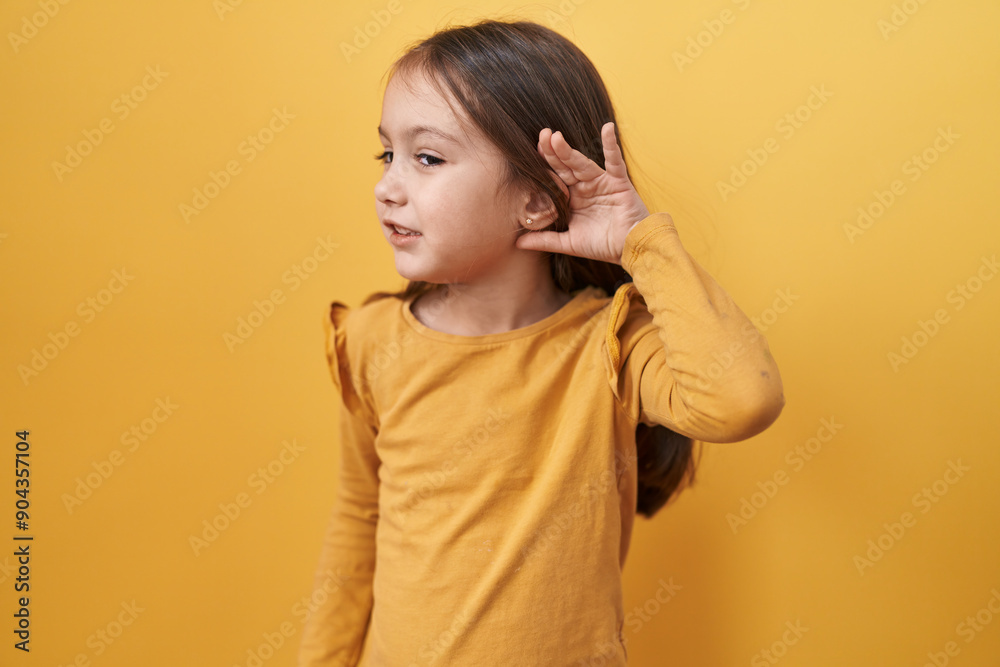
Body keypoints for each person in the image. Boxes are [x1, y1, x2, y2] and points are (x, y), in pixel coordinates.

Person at [298, 18, 784, 667]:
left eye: (428, 158)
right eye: (387, 154)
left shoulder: (608, 343)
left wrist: (643, 243)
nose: (389, 185)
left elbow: (742, 398)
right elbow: (359, 517)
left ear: (535, 199)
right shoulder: (371, 339)